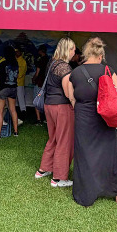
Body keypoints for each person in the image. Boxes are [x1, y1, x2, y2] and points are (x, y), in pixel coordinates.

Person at [66, 37, 117, 206]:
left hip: (83, 116)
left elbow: (71, 97)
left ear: (86, 54)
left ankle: (85, 194)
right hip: (104, 116)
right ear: (100, 54)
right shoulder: (107, 70)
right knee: (109, 154)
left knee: (84, 154)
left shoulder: (74, 73)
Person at [36, 37, 76, 187]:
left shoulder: (52, 63)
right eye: (72, 49)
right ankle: (59, 178)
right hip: (62, 107)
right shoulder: (65, 67)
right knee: (64, 141)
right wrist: (76, 105)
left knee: (53, 138)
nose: (74, 52)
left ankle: (43, 169)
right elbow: (68, 93)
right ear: (67, 50)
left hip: (49, 105)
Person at [0, 45, 19, 138]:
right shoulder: (16, 64)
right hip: (13, 88)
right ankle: (15, 132)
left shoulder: (3, 64)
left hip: (3, 89)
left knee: (0, 111)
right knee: (13, 110)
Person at [31, 45, 50, 124]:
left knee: (37, 100)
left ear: (41, 51)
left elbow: (37, 73)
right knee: (46, 100)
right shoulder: (49, 60)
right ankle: (47, 118)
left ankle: (38, 119)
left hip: (39, 82)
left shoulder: (40, 60)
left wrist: (34, 78)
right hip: (47, 82)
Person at [15, 47, 28, 120]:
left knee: (21, 98)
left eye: (17, 51)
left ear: (20, 52)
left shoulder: (23, 61)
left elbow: (21, 74)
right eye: (15, 52)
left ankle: (23, 113)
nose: (16, 53)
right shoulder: (14, 60)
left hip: (19, 83)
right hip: (13, 83)